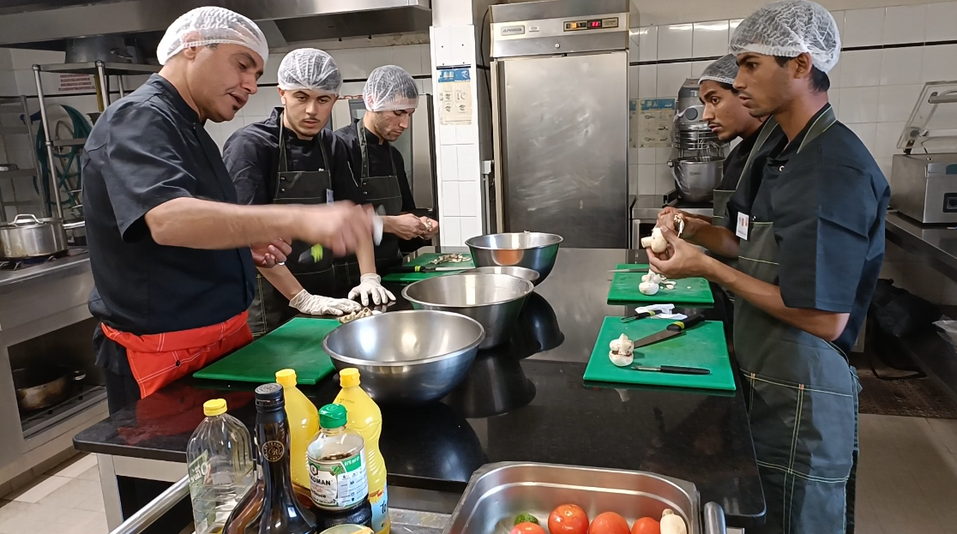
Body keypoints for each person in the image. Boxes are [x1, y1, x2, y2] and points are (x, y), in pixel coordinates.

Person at [647, 1, 889, 532]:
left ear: (801, 65)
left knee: (796, 518)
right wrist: (694, 232)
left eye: (750, 65)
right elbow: (747, 244)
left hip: (804, 385)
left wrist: (706, 271)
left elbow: (825, 318)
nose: (738, 81)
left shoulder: (832, 168)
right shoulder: (785, 152)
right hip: (770, 372)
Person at [82, 7, 375, 414]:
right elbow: (167, 219)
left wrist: (239, 246)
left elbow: (189, 224)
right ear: (191, 46)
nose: (251, 85)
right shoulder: (139, 118)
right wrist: (300, 217)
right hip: (167, 356)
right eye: (243, 66)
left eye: (256, 74)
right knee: (176, 473)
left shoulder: (190, 129)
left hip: (215, 346)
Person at [223, 48, 392, 337]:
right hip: (271, 301)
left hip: (328, 293)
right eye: (301, 97)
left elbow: (356, 213)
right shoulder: (250, 146)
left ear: (334, 100)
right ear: (282, 94)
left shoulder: (331, 144)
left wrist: (369, 278)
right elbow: (249, 236)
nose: (312, 110)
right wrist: (302, 298)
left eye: (322, 99)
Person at [333, 65, 439, 293]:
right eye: (398, 113)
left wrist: (420, 226)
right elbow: (332, 220)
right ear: (373, 103)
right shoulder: (339, 147)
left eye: (409, 115)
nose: (405, 124)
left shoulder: (393, 156)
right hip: (349, 279)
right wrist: (389, 224)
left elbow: (403, 210)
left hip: (391, 272)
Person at [662, 54, 785, 231]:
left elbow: (753, 244)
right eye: (704, 104)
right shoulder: (739, 155)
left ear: (745, 94)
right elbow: (735, 230)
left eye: (714, 100)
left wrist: (695, 245)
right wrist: (687, 221)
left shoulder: (777, 154)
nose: (706, 116)